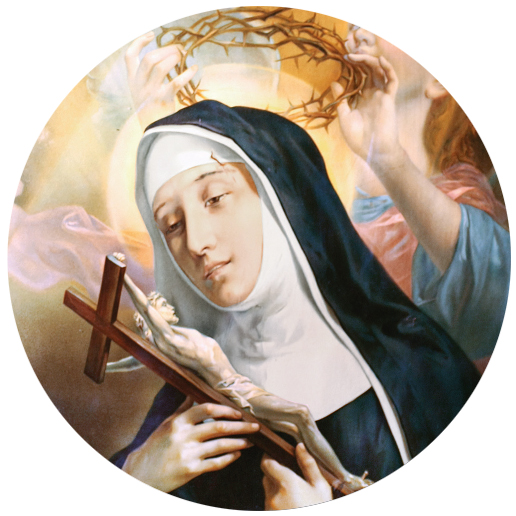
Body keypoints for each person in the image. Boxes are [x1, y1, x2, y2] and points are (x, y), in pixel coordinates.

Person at [110, 100, 480, 510]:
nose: (196, 242)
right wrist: (137, 477)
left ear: (277, 194)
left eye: (214, 198)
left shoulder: (421, 368)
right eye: (172, 225)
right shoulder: (186, 405)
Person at [331, 26, 510, 371]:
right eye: (353, 24)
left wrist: (386, 157)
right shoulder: (322, 190)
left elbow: (495, 297)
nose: (359, 34)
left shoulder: (460, 202)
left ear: (439, 81)